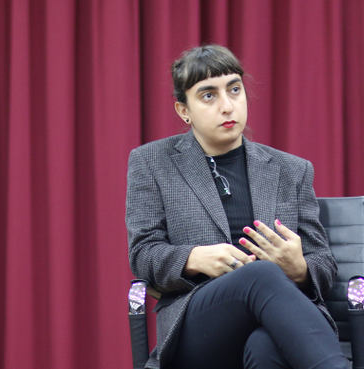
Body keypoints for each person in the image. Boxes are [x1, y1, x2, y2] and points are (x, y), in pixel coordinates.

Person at [126, 44, 348, 369]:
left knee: (265, 346)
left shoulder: (292, 170)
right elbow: (143, 254)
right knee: (261, 274)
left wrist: (299, 268)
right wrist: (195, 258)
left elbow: (323, 263)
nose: (227, 106)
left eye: (234, 90)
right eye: (208, 95)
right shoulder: (151, 162)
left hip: (276, 321)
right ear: (183, 110)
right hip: (199, 328)